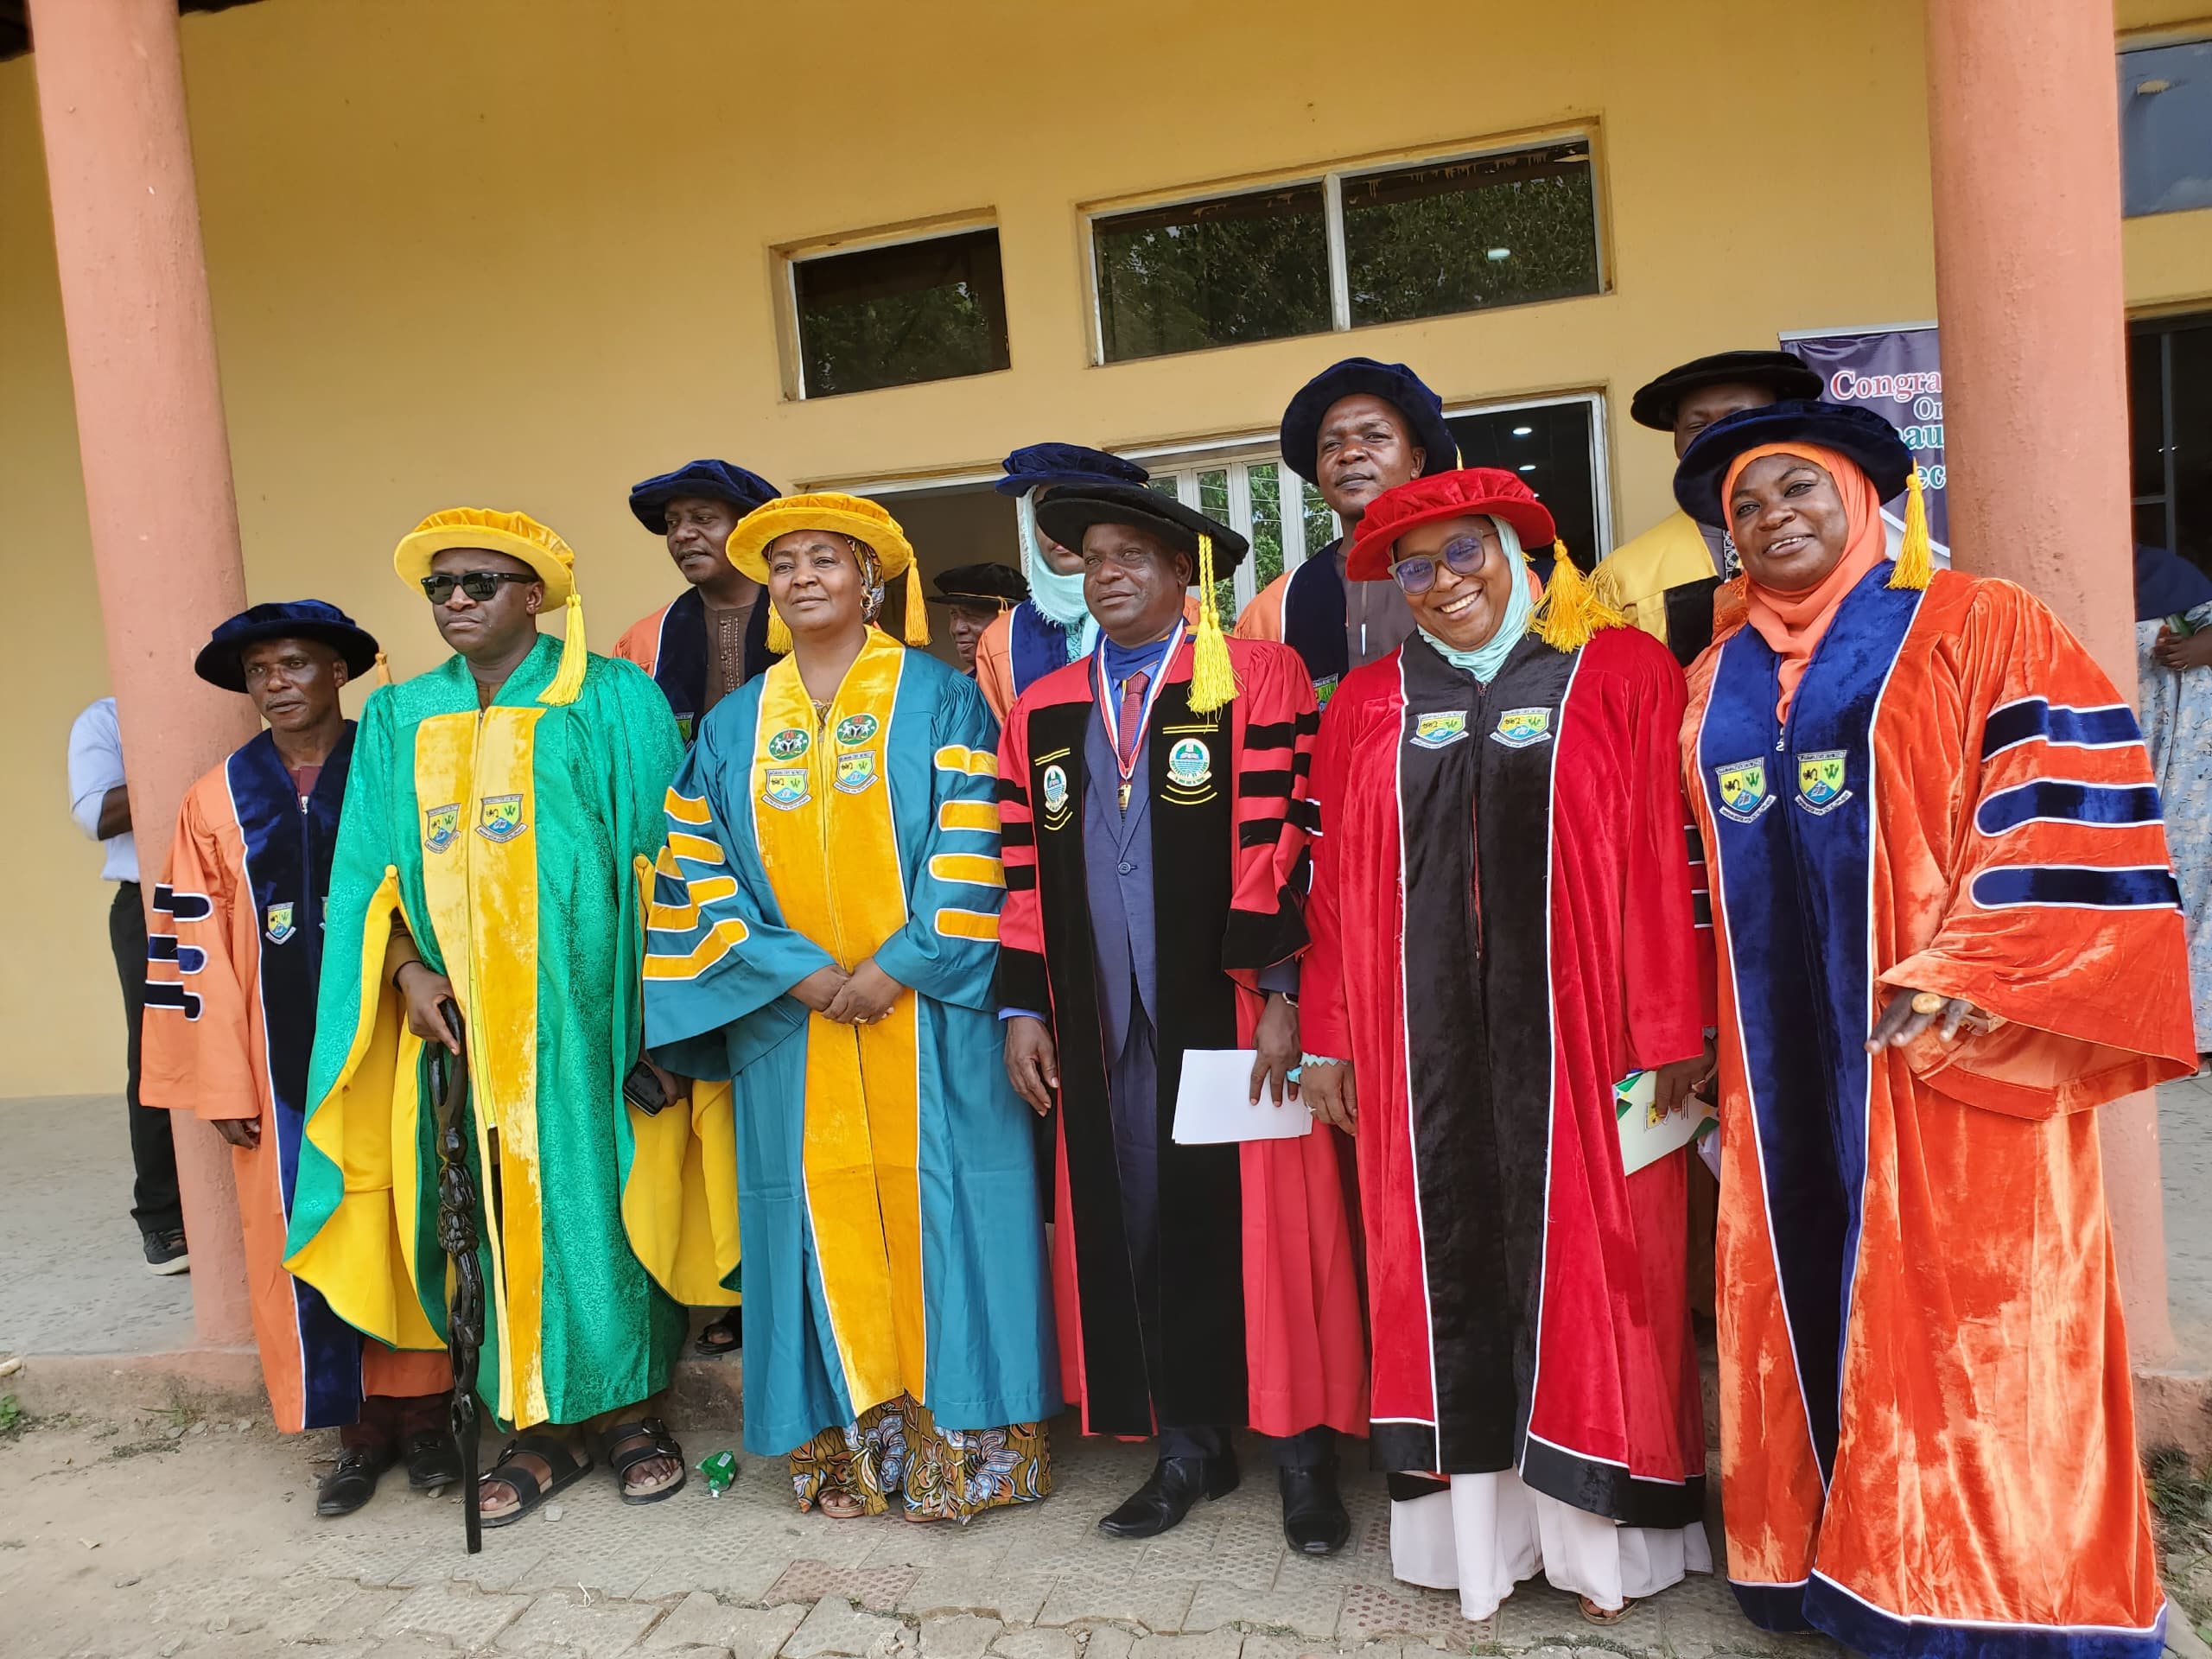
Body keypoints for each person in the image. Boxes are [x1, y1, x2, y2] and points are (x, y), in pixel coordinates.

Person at [1676, 400, 2195, 1657]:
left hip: (1942, 1044)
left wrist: (1972, 961)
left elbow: (2060, 806)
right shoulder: (1711, 675)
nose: (1771, 518)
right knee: (1802, 1294)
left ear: (1865, 498)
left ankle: (2008, 1597)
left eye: (1797, 488)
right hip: (1775, 1068)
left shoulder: (1978, 622)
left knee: (1978, 1320)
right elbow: (1687, 869)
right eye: (1746, 506)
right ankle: (1829, 1565)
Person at [1298, 470, 1711, 1624]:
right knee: (1440, 1275)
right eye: (1413, 567)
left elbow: (1669, 854)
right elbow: (1333, 888)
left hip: (1589, 1046)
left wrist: (1673, 1025)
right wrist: (1329, 1036)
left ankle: (1601, 1548)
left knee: (1605, 1274)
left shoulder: (1620, 672)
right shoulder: (1368, 701)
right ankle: (1476, 1548)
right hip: (1417, 1055)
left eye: (1463, 553)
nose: (1442, 584)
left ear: (1518, 552)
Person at [286, 508, 716, 1528]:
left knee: (602, 1205)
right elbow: (367, 879)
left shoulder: (607, 695)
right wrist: (404, 973)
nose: (457, 600)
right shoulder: (401, 716)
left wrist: (664, 1019)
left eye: (480, 582)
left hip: (591, 1022)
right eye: (440, 586)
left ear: (535, 595)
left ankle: (630, 1415)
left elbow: (667, 860)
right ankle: (533, 1425)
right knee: (479, 1217)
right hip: (461, 1032)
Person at [642, 492, 1058, 1522]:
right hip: (793, 1022)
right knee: (810, 1220)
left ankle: (967, 1455)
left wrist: (901, 964)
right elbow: (695, 864)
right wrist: (790, 970)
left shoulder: (943, 699)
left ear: (869, 581)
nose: (802, 578)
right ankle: (851, 1456)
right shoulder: (735, 723)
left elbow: (978, 836)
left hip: (931, 1015)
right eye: (783, 564)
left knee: (951, 1212)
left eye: (825, 559)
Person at [995, 481, 1366, 1552]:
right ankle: (1188, 1450)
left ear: (1179, 573)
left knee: (1273, 1233)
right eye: (1092, 557)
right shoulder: (1044, 707)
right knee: (1140, 1224)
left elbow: (1293, 835)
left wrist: (1284, 992)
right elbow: (1019, 868)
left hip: (1233, 1003)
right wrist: (1025, 1004)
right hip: (1101, 1016)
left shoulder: (1254, 673)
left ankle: (1302, 1457)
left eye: (1133, 555)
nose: (1107, 573)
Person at [141, 601, 456, 1516]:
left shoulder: (391, 772)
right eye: (259, 671)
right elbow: (193, 949)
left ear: (339, 673)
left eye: (296, 664)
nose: (276, 684)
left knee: (404, 1221)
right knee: (307, 1231)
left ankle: (427, 1413)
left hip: (391, 1051)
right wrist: (221, 1083)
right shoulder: (216, 801)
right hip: (272, 1065)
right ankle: (353, 1431)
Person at [1236, 358, 1458, 702]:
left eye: (1375, 436)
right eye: (1331, 445)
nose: (1350, 453)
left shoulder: (1478, 581)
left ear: (1416, 461)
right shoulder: (1275, 609)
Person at [1591, 350, 1821, 665]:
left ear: (1779, 426)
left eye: (1739, 418)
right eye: (1698, 425)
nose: (1718, 437)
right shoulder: (1626, 576)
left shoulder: (1834, 539)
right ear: (1677, 442)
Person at [68, 695, 187, 1273]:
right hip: (148, 904)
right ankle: (163, 1218)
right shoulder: (106, 720)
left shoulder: (237, 700)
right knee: (157, 1054)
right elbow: (96, 816)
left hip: (241, 893)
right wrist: (174, 765)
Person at [972, 442, 1154, 722]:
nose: (1057, 529)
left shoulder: (1173, 616)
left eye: (1074, 510)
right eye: (1044, 513)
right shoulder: (1000, 639)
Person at [615, 459, 784, 741]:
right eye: (672, 523)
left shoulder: (811, 620)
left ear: (748, 529)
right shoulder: (643, 641)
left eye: (703, 519)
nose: (682, 534)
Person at [2137, 541, 2212, 1061]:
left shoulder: (2163, 572)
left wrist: (2196, 649)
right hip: (2126, 749)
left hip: (2186, 754)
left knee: (2191, 882)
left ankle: (2197, 1031)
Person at [925, 562, 1027, 676]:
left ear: (1008, 618)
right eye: (954, 615)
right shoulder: (963, 683)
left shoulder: (1031, 676)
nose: (957, 629)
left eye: (970, 615)